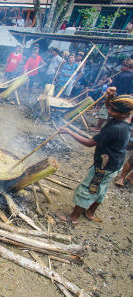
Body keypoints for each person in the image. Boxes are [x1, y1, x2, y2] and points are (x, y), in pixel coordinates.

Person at [57, 91, 132, 225]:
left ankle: (73, 218)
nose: (109, 111)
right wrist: (109, 96)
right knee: (101, 188)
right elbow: (112, 107)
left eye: (113, 111)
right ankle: (90, 212)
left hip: (104, 165)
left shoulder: (115, 128)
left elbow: (89, 143)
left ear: (125, 113)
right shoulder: (128, 120)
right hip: (115, 163)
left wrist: (69, 132)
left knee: (89, 187)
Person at [90, 59, 133, 131]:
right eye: (122, 65)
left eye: (124, 66)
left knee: (105, 110)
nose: (122, 67)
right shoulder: (131, 75)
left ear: (129, 67)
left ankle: (98, 127)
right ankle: (108, 128)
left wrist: (109, 82)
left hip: (115, 94)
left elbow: (113, 86)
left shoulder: (122, 75)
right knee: (114, 112)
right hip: (123, 96)